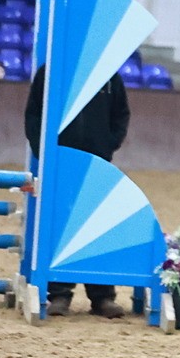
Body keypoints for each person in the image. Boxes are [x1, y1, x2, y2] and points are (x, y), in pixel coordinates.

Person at [24, 65, 131, 318]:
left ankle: (102, 296)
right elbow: (33, 115)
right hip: (58, 162)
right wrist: (45, 152)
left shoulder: (109, 74)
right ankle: (59, 293)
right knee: (59, 225)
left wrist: (107, 145)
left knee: (96, 226)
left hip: (97, 162)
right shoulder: (49, 71)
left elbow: (121, 114)